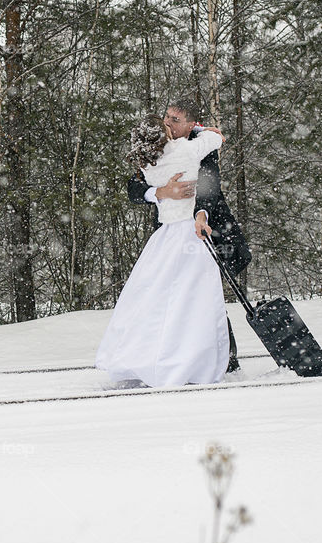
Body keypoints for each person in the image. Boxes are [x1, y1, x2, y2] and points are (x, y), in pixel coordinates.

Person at [95, 115, 229, 388]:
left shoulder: (147, 164)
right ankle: (189, 361)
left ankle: (145, 355)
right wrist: (204, 130)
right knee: (193, 301)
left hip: (165, 237)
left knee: (153, 299)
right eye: (168, 124)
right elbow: (216, 139)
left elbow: (138, 182)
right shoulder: (186, 149)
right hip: (189, 232)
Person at [127, 100, 251, 373]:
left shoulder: (193, 146)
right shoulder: (157, 147)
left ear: (191, 124)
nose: (168, 122)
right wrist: (161, 192)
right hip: (174, 234)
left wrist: (201, 214)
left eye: (175, 119)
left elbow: (209, 185)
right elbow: (133, 188)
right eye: (167, 117)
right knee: (184, 297)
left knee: (203, 297)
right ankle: (183, 357)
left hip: (207, 230)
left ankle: (224, 360)